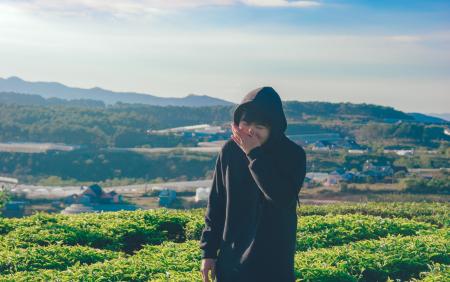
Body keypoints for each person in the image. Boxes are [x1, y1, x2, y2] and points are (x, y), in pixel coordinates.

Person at [199, 86, 307, 282]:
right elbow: (216, 203)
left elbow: (282, 198)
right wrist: (208, 253)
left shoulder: (293, 155)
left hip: (273, 264)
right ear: (236, 124)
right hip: (231, 262)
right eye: (245, 124)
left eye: (259, 127)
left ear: (273, 127)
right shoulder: (230, 150)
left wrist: (254, 154)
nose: (250, 132)